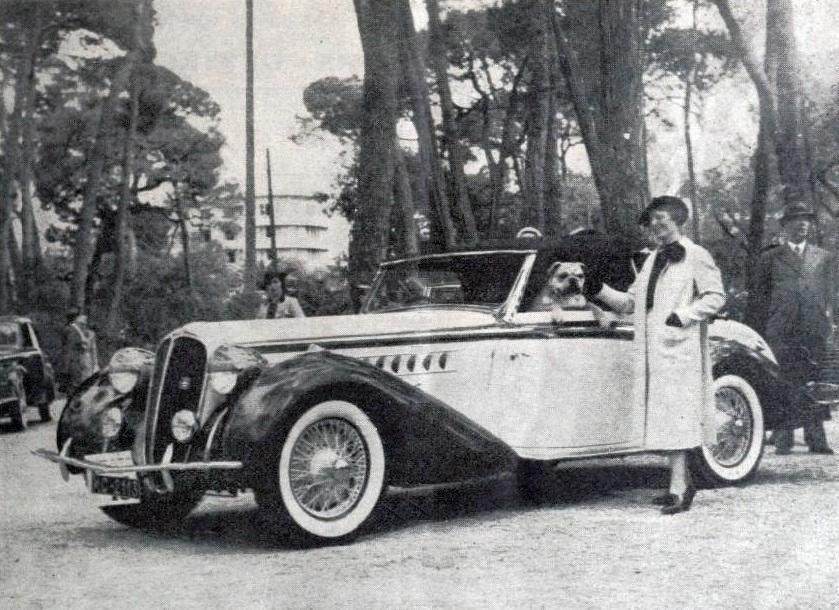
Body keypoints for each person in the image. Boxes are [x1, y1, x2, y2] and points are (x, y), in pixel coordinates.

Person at [586, 196, 726, 515]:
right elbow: (630, 304)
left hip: (679, 350)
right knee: (663, 417)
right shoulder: (652, 260)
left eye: (662, 219)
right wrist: (597, 289)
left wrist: (684, 315)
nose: (656, 225)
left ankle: (680, 487)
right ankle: (679, 482)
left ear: (678, 221)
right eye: (652, 220)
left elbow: (716, 296)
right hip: (652, 352)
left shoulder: (695, 256)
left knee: (676, 415)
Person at [755, 202, 834, 455]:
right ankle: (783, 438)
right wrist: (759, 329)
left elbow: (833, 293)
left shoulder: (823, 257)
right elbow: (760, 297)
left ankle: (816, 439)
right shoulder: (770, 257)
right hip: (781, 329)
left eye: (806, 220)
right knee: (784, 379)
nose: (802, 224)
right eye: (796, 220)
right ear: (785, 226)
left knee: (813, 381)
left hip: (814, 328)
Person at [61, 308, 100, 395]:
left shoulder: (86, 333)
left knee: (83, 382)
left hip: (83, 360)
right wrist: (66, 367)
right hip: (75, 361)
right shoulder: (71, 330)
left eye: (84, 324)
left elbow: (92, 349)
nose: (83, 326)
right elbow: (69, 348)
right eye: (81, 323)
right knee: (75, 385)